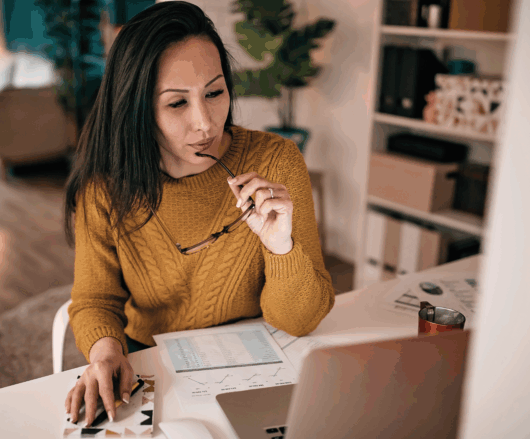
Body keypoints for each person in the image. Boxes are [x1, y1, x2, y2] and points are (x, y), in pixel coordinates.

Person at [63, 0, 334, 426]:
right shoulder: (105, 187)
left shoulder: (276, 161)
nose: (205, 123)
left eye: (214, 93)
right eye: (176, 104)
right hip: (150, 361)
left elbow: (300, 321)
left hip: (261, 357)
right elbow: (96, 299)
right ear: (136, 110)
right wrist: (106, 352)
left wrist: (281, 247)